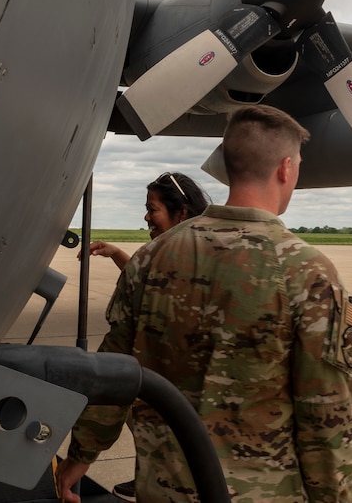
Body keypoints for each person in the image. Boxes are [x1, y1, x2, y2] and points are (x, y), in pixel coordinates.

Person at [56, 104, 352, 502]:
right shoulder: (307, 272)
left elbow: (115, 371)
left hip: (164, 490)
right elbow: (326, 417)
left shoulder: (152, 258)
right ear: (286, 168)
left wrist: (80, 456)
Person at [78, 171, 209, 502]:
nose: (146, 216)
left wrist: (81, 454)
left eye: (153, 209)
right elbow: (146, 277)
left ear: (180, 212)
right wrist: (115, 253)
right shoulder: (197, 247)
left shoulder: (178, 254)